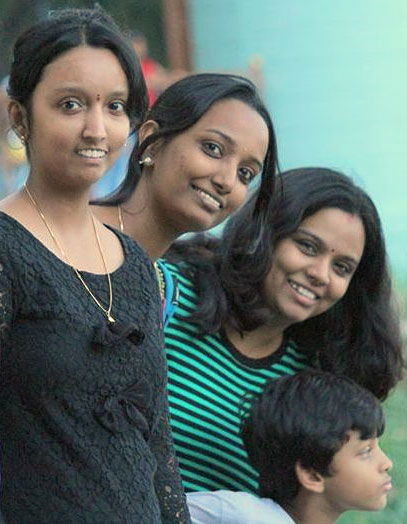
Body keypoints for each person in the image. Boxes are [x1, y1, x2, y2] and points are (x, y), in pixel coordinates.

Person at [0, 7, 189, 522]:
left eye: (115, 106)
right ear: (20, 117)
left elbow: (157, 444)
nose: (96, 128)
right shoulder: (6, 249)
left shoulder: (134, 264)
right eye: (70, 104)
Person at [162, 167, 403, 494]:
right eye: (308, 246)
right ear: (264, 232)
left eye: (342, 268)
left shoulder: (312, 385)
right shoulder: (169, 295)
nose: (321, 274)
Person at [93, 72, 278, 262]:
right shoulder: (77, 238)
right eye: (213, 148)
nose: (227, 182)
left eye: (245, 173)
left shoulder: (169, 277)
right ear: (152, 141)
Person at [187, 370, 393, 523]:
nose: (386, 463)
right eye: (366, 451)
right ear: (312, 475)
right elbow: (167, 507)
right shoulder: (243, 514)